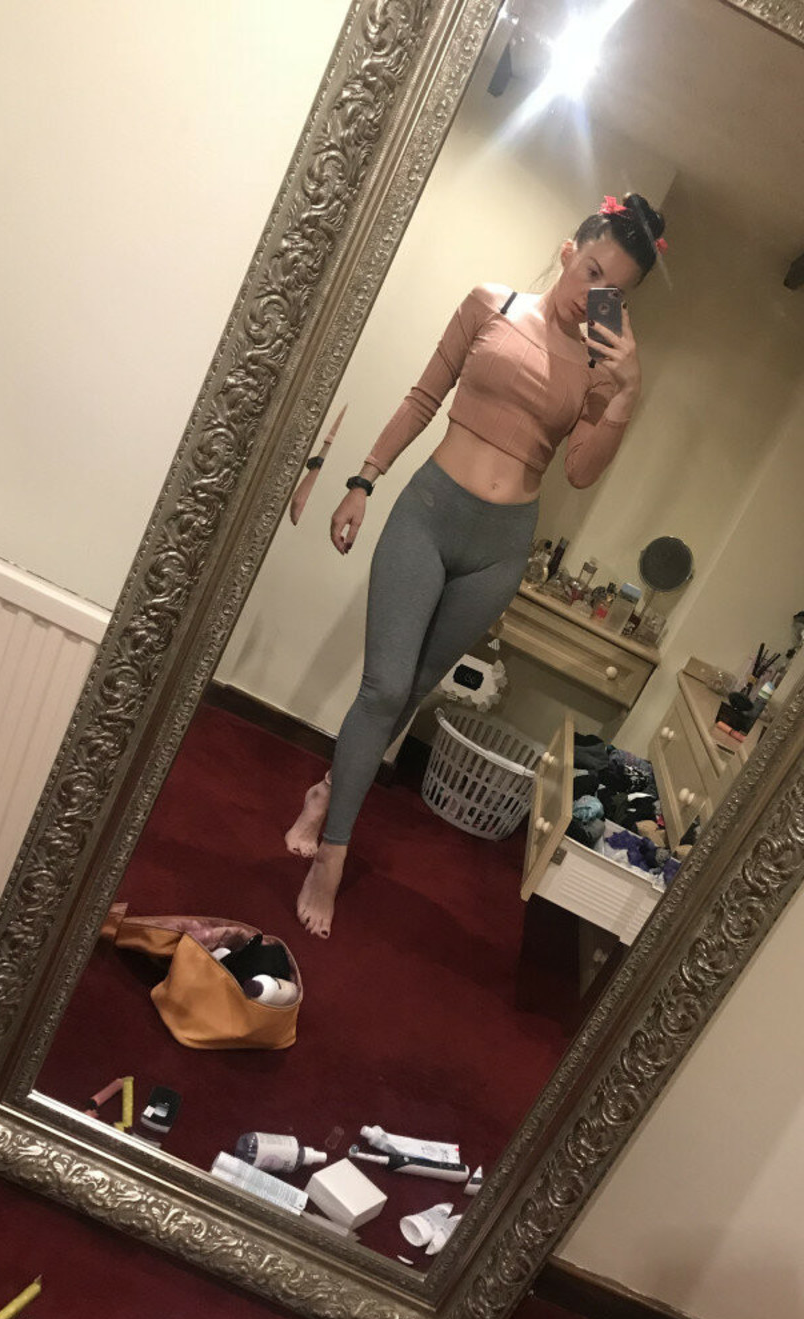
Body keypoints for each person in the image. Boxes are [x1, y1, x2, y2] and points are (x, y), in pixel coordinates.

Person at [286, 192, 667, 937]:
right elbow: (424, 395)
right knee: (384, 685)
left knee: (413, 689)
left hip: (500, 546)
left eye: (614, 291)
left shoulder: (599, 369)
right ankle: (332, 854)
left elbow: (581, 471)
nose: (594, 293)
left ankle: (328, 790)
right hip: (428, 515)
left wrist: (627, 391)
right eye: (591, 270)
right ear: (568, 250)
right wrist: (363, 480)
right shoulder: (491, 304)